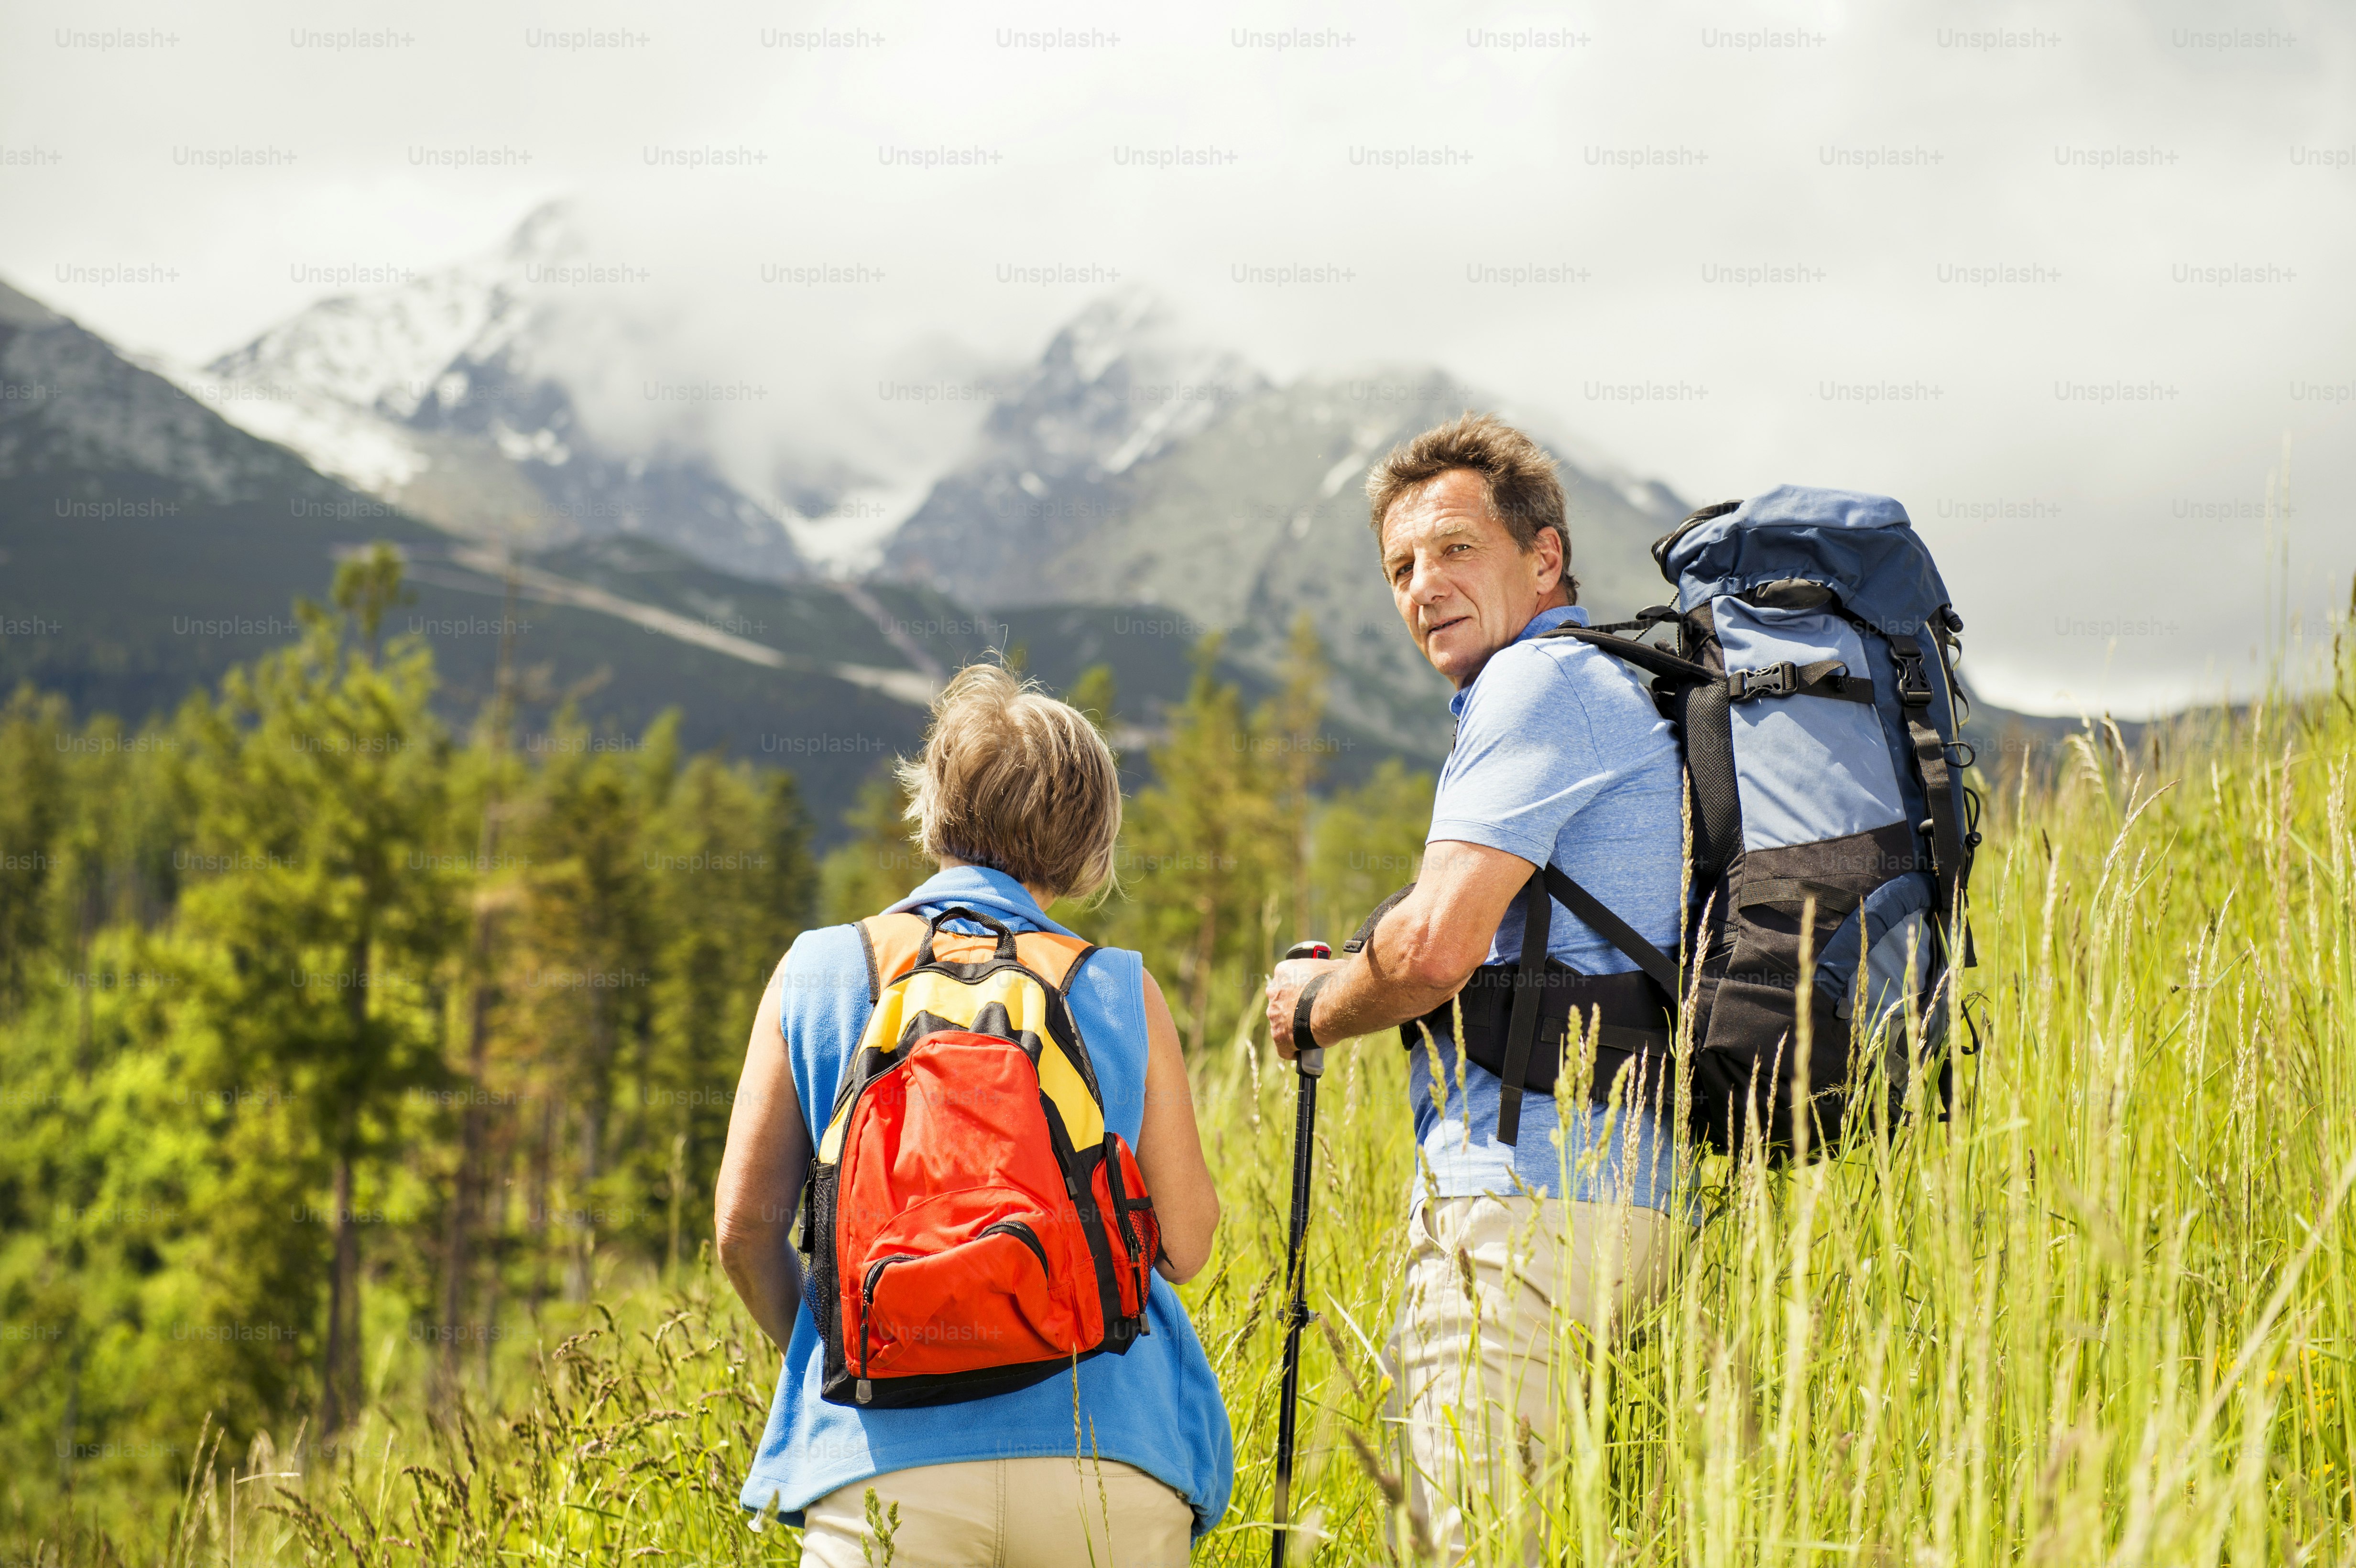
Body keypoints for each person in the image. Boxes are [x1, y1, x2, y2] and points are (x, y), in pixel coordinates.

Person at [1265, 413, 1688, 1562]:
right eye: (1401, 567)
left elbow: (1433, 952)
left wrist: (1310, 1007)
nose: (1424, 587)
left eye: (1455, 548)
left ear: (1544, 558)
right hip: (1631, 1198)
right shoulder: (1605, 687)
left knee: (1464, 1542)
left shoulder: (1537, 684)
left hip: (1521, 1210)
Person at [717, 664, 1232, 1567]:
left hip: (878, 1470)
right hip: (1105, 1461)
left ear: (934, 806)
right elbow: (1185, 1247)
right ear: (1088, 839)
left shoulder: (817, 970)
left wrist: (844, 1341)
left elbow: (742, 1229)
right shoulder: (1119, 987)